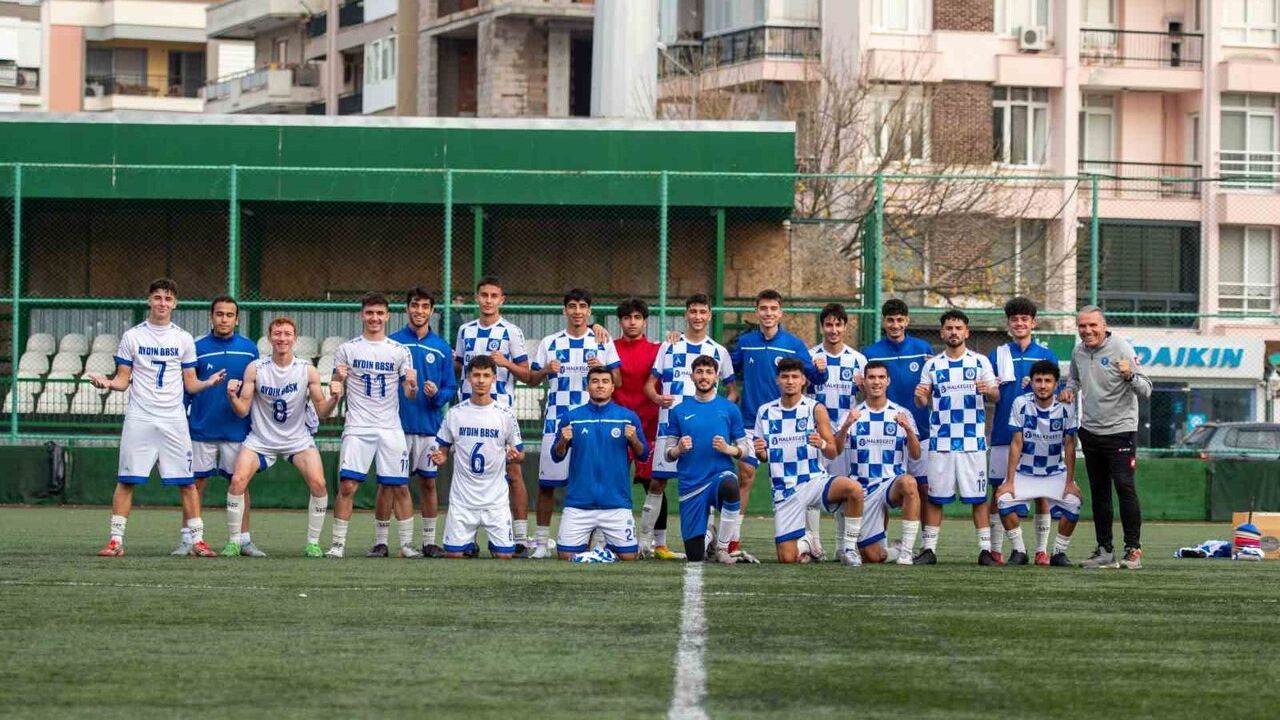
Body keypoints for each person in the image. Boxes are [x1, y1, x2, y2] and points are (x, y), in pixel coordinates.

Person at [91, 278, 227, 557]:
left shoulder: (183, 338)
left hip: (174, 420)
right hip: (140, 417)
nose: (162, 303)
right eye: (157, 298)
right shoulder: (133, 336)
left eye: (167, 298)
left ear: (175, 303)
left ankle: (197, 541)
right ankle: (116, 541)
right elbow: (122, 380)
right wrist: (106, 383)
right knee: (127, 479)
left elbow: (190, 384)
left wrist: (208, 383)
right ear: (149, 300)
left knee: (187, 482)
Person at [221, 317, 339, 557]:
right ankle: (234, 541)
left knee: (319, 484)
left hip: (297, 439)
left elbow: (322, 412)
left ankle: (313, 543)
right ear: (269, 338)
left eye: (287, 334)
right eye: (277, 334)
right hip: (260, 439)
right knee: (237, 481)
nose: (282, 338)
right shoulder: (256, 368)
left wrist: (334, 399)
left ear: (294, 339)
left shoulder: (306, 370)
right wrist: (232, 396)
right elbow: (243, 409)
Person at [729, 289, 822, 560]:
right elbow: (724, 368)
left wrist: (820, 369)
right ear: (757, 311)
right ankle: (732, 539)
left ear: (780, 312)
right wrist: (732, 391)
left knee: (800, 480)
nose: (768, 313)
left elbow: (813, 377)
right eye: (763, 308)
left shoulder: (793, 344)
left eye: (773, 309)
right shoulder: (746, 343)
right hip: (749, 421)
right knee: (745, 474)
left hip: (789, 426)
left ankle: (810, 541)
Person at [528, 288, 621, 558]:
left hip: (593, 423)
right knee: (547, 483)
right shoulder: (550, 341)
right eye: (572, 306)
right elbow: (532, 379)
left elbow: (619, 380)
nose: (577, 311)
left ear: (589, 311)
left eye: (582, 306)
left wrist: (601, 366)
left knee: (594, 481)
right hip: (557, 421)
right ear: (564, 310)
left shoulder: (601, 341)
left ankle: (600, 542)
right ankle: (542, 543)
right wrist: (546, 370)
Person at [643, 293, 736, 559]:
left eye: (702, 312)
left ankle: (708, 539)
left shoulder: (718, 351)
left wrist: (719, 415)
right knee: (657, 483)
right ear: (686, 314)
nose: (697, 316)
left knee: (707, 483)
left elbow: (732, 392)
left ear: (709, 315)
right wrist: (658, 398)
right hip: (670, 427)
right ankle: (649, 543)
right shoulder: (669, 346)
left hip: (703, 431)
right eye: (692, 311)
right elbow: (650, 384)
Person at [325, 292, 417, 559]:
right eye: (369, 313)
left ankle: (405, 545)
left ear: (387, 316)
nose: (374, 318)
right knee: (347, 486)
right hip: (358, 426)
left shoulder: (399, 351)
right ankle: (338, 544)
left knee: (400, 486)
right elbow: (335, 390)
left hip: (390, 427)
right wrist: (337, 380)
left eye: (379, 313)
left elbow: (410, 394)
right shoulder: (347, 349)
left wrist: (412, 385)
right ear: (362, 315)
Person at [1060, 305, 1151, 570]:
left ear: (1104, 326)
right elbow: (1073, 381)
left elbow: (1146, 389)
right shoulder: (1078, 351)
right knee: (1099, 493)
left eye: (1092, 326)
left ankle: (1133, 550)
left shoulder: (1122, 347)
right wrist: (1068, 391)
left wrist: (1130, 375)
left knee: (1124, 487)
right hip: (1090, 431)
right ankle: (1104, 550)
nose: (1087, 331)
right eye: (1082, 326)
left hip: (1121, 431)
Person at [751, 358, 866, 566]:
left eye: (795, 377)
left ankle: (849, 548)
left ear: (804, 380)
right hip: (784, 490)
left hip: (814, 480)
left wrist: (821, 443)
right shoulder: (765, 412)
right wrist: (761, 453)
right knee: (786, 559)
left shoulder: (815, 408)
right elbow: (764, 456)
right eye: (785, 377)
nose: (790, 381)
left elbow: (832, 452)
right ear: (777, 380)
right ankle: (807, 542)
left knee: (855, 490)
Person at [913, 309, 1000, 565]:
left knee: (978, 497)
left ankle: (985, 550)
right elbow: (921, 400)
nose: (954, 332)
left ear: (966, 332)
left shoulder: (980, 362)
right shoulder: (933, 365)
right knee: (935, 497)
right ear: (942, 333)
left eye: (958, 328)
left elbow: (995, 395)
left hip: (972, 441)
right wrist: (920, 397)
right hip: (941, 441)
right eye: (949, 328)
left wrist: (989, 391)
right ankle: (929, 549)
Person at [455, 276, 533, 556]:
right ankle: (468, 540)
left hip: (501, 411)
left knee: (513, 472)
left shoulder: (511, 332)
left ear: (502, 300)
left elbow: (527, 374)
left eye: (494, 296)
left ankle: (521, 538)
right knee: (468, 474)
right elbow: (457, 367)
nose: (488, 300)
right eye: (484, 295)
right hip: (468, 412)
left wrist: (506, 363)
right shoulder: (465, 330)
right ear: (477, 297)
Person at [183, 295, 265, 557]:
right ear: (211, 316)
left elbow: (256, 389)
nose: (224, 319)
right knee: (194, 485)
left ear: (237, 319)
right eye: (219, 314)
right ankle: (189, 539)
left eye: (229, 315)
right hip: (202, 428)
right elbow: (188, 387)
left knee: (240, 485)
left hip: (237, 430)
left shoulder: (249, 348)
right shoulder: (197, 347)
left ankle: (243, 540)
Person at [378, 288, 457, 558]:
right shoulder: (392, 343)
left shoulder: (442, 347)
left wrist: (437, 396)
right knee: (389, 484)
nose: (419, 311)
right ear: (406, 309)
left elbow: (451, 387)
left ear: (432, 311)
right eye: (414, 305)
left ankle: (429, 541)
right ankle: (381, 542)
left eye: (425, 306)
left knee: (428, 483)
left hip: (429, 426)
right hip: (395, 426)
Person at [987, 296, 1059, 565]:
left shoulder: (1046, 355)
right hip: (1003, 435)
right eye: (1015, 319)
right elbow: (991, 394)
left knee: (1042, 492)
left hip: (1038, 437)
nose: (1019, 323)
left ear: (1033, 323)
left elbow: (1057, 392)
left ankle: (1041, 550)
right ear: (1008, 323)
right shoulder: (997, 355)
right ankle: (997, 549)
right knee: (998, 493)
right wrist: (988, 390)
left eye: (1024, 319)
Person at [429, 356, 525, 559]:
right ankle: (467, 544)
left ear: (494, 378)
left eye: (486, 375)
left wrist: (514, 455)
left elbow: (521, 453)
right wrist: (440, 457)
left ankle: (494, 545)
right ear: (468, 378)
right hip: (462, 501)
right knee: (453, 557)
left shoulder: (505, 414)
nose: (481, 380)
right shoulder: (455, 413)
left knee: (504, 557)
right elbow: (444, 450)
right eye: (476, 375)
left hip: (495, 501)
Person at [551, 367, 648, 561]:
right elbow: (556, 456)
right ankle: (596, 545)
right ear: (588, 386)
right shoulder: (572, 417)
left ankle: (602, 545)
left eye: (605, 381)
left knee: (629, 557)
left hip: (616, 503)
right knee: (565, 556)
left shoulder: (627, 417)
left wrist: (634, 439)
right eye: (595, 381)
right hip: (579, 504)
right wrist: (563, 440)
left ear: (612, 387)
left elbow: (643, 455)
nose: (600, 385)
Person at [996, 360, 1083, 567]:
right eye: (1038, 380)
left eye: (1047, 381)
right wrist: (1009, 480)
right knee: (1003, 500)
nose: (1042, 385)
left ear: (1055, 384)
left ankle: (1059, 553)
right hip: (1025, 471)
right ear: (1032, 382)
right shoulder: (1020, 403)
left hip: (1054, 472)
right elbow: (1016, 443)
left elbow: (1070, 446)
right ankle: (1019, 551)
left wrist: (1070, 481)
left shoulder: (1066, 407)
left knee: (1074, 503)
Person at [664, 355, 750, 564]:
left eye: (709, 372)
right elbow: (667, 454)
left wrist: (729, 449)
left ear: (716, 377)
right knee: (694, 557)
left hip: (718, 475)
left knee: (731, 486)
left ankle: (722, 548)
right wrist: (678, 449)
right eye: (700, 372)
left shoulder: (729, 409)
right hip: (691, 484)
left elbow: (745, 450)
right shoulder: (679, 410)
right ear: (692, 376)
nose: (704, 377)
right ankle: (709, 535)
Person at [833, 360, 920, 565]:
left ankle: (906, 552)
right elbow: (835, 451)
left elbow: (916, 454)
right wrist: (846, 426)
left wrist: (907, 429)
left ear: (888, 381)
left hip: (891, 484)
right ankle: (895, 551)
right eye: (871, 377)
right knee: (872, 557)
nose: (876, 382)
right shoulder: (852, 414)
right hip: (862, 489)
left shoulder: (901, 413)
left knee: (909, 483)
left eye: (881, 377)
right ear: (863, 382)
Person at [807, 302, 867, 560]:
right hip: (815, 433)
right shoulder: (810, 357)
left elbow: (868, 394)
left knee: (843, 489)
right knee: (810, 490)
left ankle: (843, 547)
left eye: (838, 324)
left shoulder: (857, 359)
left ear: (845, 326)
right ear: (822, 327)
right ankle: (813, 545)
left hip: (845, 435)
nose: (833, 329)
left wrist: (863, 386)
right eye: (828, 324)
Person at [610, 297, 668, 557]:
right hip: (614, 427)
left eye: (637, 317)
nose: (632, 322)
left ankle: (659, 543)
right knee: (612, 482)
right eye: (627, 318)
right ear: (620, 321)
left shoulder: (659, 350)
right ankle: (606, 538)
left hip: (650, 424)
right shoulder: (609, 348)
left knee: (654, 484)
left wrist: (675, 339)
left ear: (645, 321)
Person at [861, 299, 934, 498]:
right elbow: (865, 388)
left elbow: (933, 388)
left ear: (907, 321)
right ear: (884, 322)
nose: (895, 325)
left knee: (924, 488)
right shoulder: (870, 353)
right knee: (880, 489)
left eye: (900, 320)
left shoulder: (923, 349)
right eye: (890, 320)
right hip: (883, 433)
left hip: (920, 429)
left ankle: (927, 531)